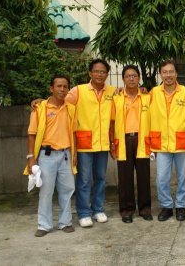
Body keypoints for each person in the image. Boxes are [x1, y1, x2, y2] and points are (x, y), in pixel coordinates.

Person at [24, 75, 76, 237]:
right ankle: (44, 225)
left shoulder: (71, 108)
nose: (62, 89)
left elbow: (73, 133)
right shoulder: (41, 108)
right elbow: (32, 135)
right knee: (46, 190)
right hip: (47, 155)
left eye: (65, 87)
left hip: (66, 154)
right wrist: (31, 158)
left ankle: (65, 222)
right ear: (51, 88)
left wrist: (75, 155)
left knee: (67, 189)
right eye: (59, 86)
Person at [67, 59, 115, 227]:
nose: (100, 74)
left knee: (101, 178)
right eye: (97, 71)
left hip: (102, 144)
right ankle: (83, 212)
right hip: (85, 143)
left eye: (103, 72)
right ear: (90, 73)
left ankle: (98, 209)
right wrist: (41, 102)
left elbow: (126, 96)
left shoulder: (112, 91)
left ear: (107, 74)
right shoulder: (78, 91)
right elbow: (60, 102)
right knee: (84, 179)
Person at [149, 60, 185, 222]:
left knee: (183, 177)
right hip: (161, 143)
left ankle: (181, 206)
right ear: (161, 74)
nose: (168, 75)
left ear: (176, 74)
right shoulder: (153, 92)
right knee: (162, 177)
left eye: (171, 72)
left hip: (181, 142)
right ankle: (167, 206)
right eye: (165, 72)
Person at [110, 65, 152, 223]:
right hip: (123, 140)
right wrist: (112, 142)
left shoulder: (147, 97)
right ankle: (127, 210)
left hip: (142, 140)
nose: (131, 78)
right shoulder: (117, 98)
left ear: (139, 78)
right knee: (125, 177)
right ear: (123, 79)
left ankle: (145, 208)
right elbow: (112, 122)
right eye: (128, 76)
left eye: (134, 76)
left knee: (144, 176)